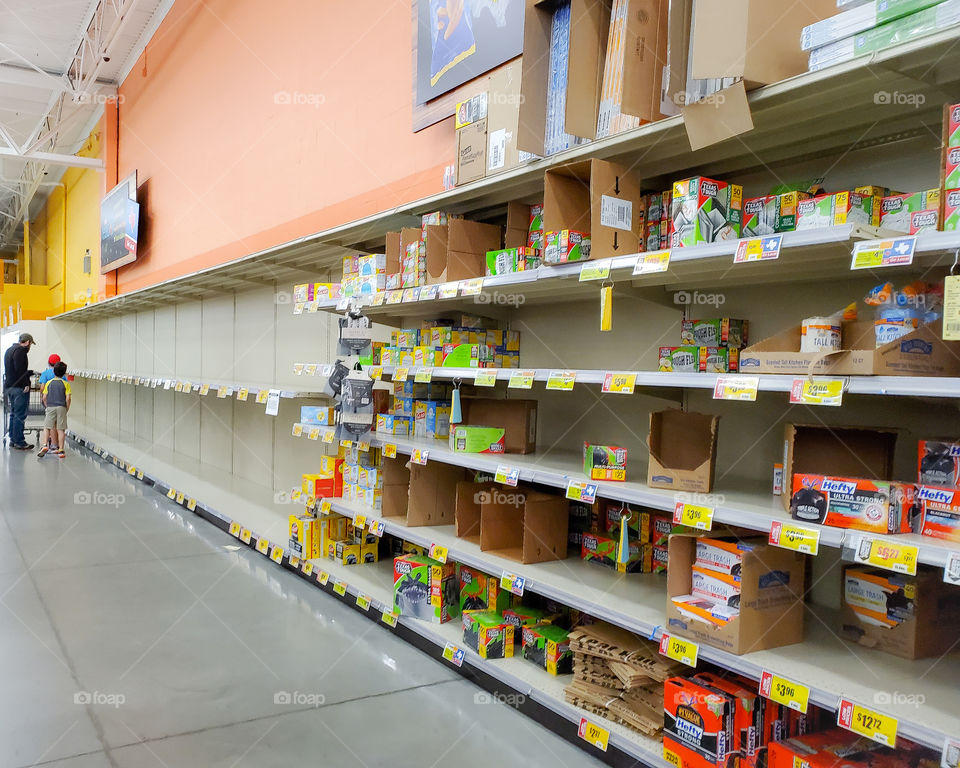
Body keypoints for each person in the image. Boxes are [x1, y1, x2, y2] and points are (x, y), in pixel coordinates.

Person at [3, 332, 35, 450]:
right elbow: (19, 368)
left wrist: (29, 372)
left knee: (14, 413)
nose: (30, 347)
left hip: (9, 386)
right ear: (27, 342)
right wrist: (26, 383)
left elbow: (13, 368)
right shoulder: (21, 351)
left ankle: (13, 438)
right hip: (18, 388)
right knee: (20, 414)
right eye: (30, 344)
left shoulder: (9, 349)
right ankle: (19, 441)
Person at [38, 361, 70, 459]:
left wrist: (47, 406)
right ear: (64, 373)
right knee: (61, 429)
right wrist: (66, 408)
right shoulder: (65, 383)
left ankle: (44, 445)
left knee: (47, 427)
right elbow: (68, 398)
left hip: (50, 407)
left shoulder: (48, 383)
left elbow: (44, 397)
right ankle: (61, 449)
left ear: (54, 372)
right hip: (61, 407)